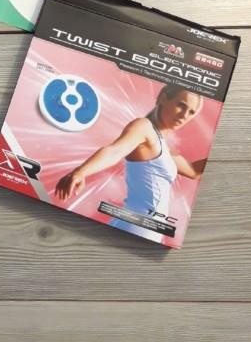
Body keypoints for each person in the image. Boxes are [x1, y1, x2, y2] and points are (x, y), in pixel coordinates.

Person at [54, 85, 207, 242]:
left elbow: (193, 171)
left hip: (147, 228)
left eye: (191, 112)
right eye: (181, 105)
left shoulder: (164, 147)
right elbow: (115, 151)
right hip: (137, 226)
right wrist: (81, 171)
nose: (184, 115)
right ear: (163, 98)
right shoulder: (144, 127)